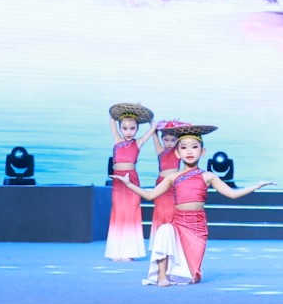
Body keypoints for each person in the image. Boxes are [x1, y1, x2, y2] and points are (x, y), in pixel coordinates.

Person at [114, 124, 273, 286]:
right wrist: (129, 184)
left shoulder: (208, 176)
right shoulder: (173, 177)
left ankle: (179, 272)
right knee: (164, 231)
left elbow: (232, 194)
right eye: (184, 147)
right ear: (177, 153)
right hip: (178, 223)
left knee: (192, 277)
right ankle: (162, 276)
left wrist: (256, 185)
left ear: (202, 152)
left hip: (197, 227)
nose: (189, 151)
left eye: (194, 147)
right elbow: (150, 195)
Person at [105, 102, 156, 261]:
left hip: (132, 181)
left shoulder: (138, 142)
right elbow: (111, 118)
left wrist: (145, 114)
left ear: (137, 129)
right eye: (125, 128)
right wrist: (122, 109)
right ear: (120, 128)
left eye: (132, 128)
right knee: (118, 213)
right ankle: (116, 252)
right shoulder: (117, 140)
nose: (128, 132)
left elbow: (154, 126)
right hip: (118, 181)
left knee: (131, 213)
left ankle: (129, 252)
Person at [149, 120, 183, 249]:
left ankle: (171, 245)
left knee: (172, 212)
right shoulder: (160, 151)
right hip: (160, 184)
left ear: (177, 140)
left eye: (173, 140)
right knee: (159, 212)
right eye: (166, 140)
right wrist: (152, 123)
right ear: (162, 139)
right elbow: (154, 135)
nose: (169, 143)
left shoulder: (178, 152)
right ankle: (159, 245)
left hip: (173, 186)